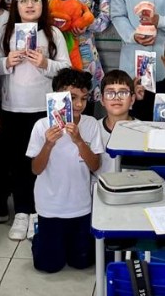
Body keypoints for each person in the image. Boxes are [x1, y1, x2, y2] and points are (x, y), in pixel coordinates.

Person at [0, 0, 71, 239]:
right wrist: (7, 61)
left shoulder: (53, 34)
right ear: (15, 4)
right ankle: (22, 212)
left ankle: (39, 211)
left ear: (43, 3)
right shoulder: (5, 31)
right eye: (24, 0)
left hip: (44, 109)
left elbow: (66, 70)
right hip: (13, 108)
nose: (29, 4)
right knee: (18, 162)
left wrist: (45, 63)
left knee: (44, 161)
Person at [27, 68, 103, 273]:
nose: (78, 105)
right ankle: (39, 237)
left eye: (84, 99)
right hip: (50, 206)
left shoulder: (91, 124)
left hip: (81, 205)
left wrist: (79, 141)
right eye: (72, 98)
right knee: (49, 266)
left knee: (83, 262)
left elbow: (95, 166)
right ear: (57, 97)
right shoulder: (41, 126)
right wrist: (48, 145)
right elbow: (36, 169)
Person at [98, 70, 138, 174]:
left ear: (132, 99)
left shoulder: (143, 131)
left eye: (123, 93)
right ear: (102, 99)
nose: (116, 97)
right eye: (110, 93)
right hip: (101, 188)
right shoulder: (94, 129)